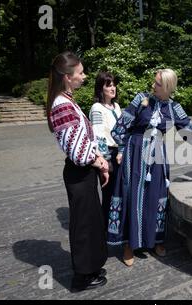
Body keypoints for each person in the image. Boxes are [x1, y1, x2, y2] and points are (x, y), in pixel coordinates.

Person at [107, 68, 192, 266]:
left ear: (169, 87)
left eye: (158, 84)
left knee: (157, 195)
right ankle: (129, 244)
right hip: (135, 154)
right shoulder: (141, 99)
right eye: (154, 82)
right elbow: (120, 127)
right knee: (133, 195)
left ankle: (155, 241)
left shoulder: (174, 109)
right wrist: (122, 149)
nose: (153, 85)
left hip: (157, 157)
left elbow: (191, 132)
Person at [46, 51, 109, 291]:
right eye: (81, 73)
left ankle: (91, 266)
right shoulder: (62, 105)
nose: (84, 76)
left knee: (90, 221)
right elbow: (78, 152)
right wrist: (99, 161)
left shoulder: (66, 100)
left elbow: (84, 141)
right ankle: (81, 277)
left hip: (83, 171)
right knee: (83, 224)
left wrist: (97, 159)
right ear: (67, 77)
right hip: (79, 171)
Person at [89, 72, 122, 230]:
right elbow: (98, 136)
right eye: (108, 85)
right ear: (100, 88)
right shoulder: (97, 108)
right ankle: (104, 232)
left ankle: (116, 228)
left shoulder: (116, 106)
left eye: (114, 84)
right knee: (108, 195)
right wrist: (105, 163)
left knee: (119, 193)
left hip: (120, 154)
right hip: (107, 154)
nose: (113, 88)